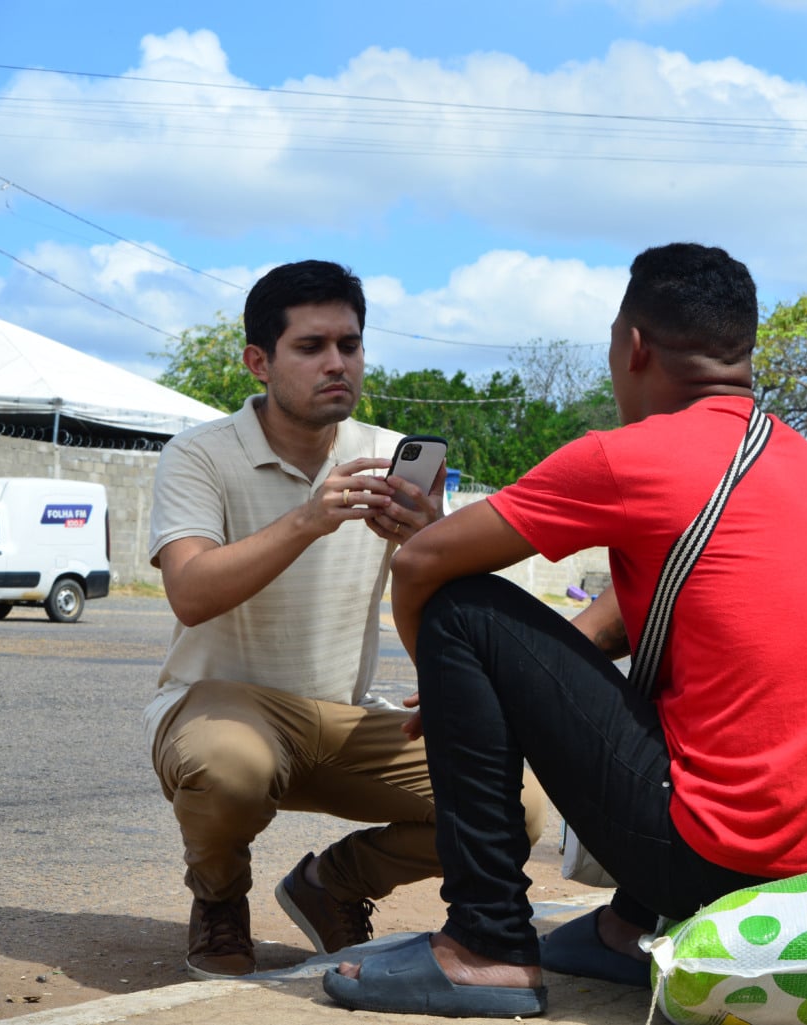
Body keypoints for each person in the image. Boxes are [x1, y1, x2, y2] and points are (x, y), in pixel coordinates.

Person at [322, 242, 807, 1018]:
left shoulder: (632, 457)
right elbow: (595, 639)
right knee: (692, 702)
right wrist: (481, 693)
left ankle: (486, 944)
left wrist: (444, 672)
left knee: (463, 610)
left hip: (717, 861)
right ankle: (632, 928)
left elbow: (422, 566)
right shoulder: (803, 466)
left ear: (633, 346)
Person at [144, 259, 545, 980]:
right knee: (229, 767)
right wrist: (307, 519)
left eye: (350, 345)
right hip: (222, 709)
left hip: (344, 713)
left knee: (516, 802)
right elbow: (191, 592)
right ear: (258, 361)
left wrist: (428, 540)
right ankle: (219, 900)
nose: (338, 363)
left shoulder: (385, 456)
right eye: (311, 346)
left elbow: (443, 591)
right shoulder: (198, 455)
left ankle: (333, 883)